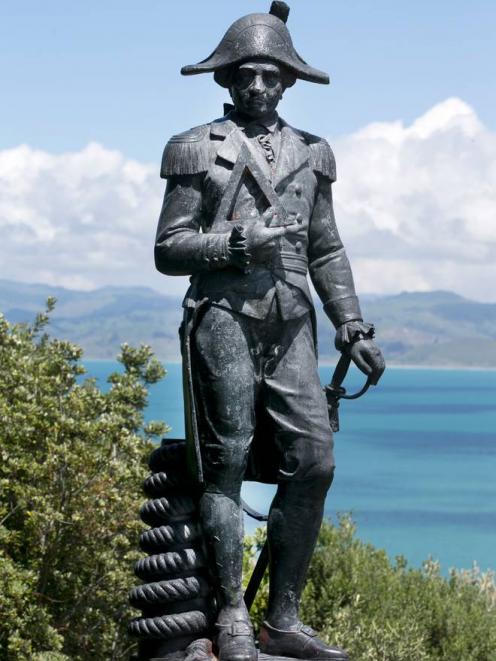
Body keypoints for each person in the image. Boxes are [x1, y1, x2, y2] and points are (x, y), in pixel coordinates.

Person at [154, 4, 385, 661]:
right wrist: (234, 243)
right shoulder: (196, 147)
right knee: (224, 465)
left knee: (314, 460)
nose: (256, 86)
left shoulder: (315, 153)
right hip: (223, 317)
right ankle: (230, 615)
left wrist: (353, 324)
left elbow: (326, 248)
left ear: (287, 80)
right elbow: (169, 249)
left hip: (292, 322)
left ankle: (282, 617)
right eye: (244, 74)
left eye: (269, 75)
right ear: (225, 80)